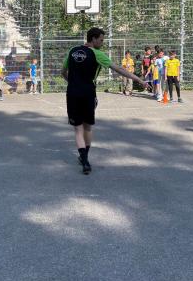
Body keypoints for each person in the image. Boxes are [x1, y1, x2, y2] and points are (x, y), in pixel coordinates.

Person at [61, 27, 144, 175]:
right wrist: (138, 79)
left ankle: (84, 160)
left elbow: (63, 72)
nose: (102, 42)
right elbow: (119, 69)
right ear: (93, 39)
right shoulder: (97, 54)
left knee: (78, 129)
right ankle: (85, 158)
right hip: (88, 92)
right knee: (87, 128)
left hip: (72, 92)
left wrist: (72, 83)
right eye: (101, 40)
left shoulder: (72, 51)